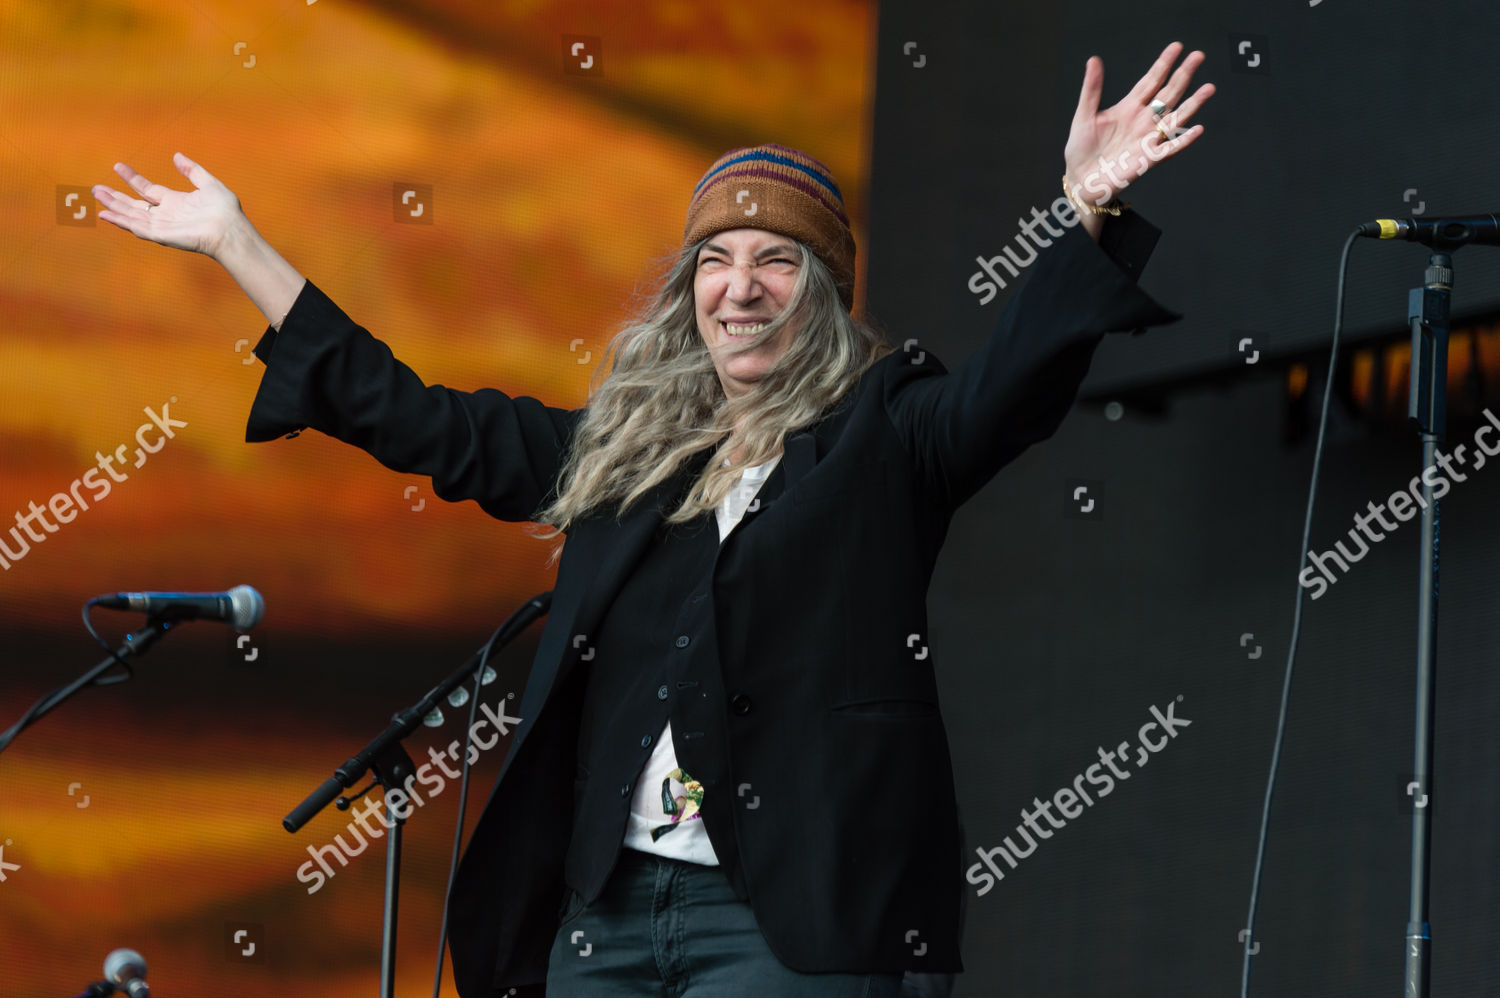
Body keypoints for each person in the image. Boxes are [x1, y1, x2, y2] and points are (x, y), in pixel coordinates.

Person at [93, 41, 1214, 998]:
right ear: (688, 296)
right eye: (715, 262)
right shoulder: (625, 462)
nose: (741, 284)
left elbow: (1009, 384)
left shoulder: (885, 436)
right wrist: (240, 246)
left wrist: (1085, 210)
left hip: (786, 921)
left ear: (821, 293)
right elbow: (421, 418)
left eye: (778, 260)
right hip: (609, 915)